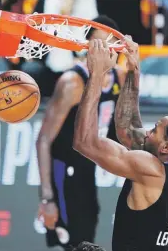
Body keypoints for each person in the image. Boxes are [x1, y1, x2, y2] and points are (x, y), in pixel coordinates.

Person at [73, 37, 168, 251]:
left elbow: (84, 142)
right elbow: (127, 129)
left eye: (154, 130)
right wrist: (133, 72)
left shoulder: (151, 168)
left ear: (166, 148)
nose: (146, 132)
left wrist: (96, 74)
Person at [36, 15, 125, 249]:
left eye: (112, 44)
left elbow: (120, 132)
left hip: (88, 168)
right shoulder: (72, 83)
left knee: (88, 234)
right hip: (65, 170)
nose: (107, 51)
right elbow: (44, 140)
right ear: (87, 48)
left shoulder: (119, 77)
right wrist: (47, 198)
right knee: (74, 241)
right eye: (99, 45)